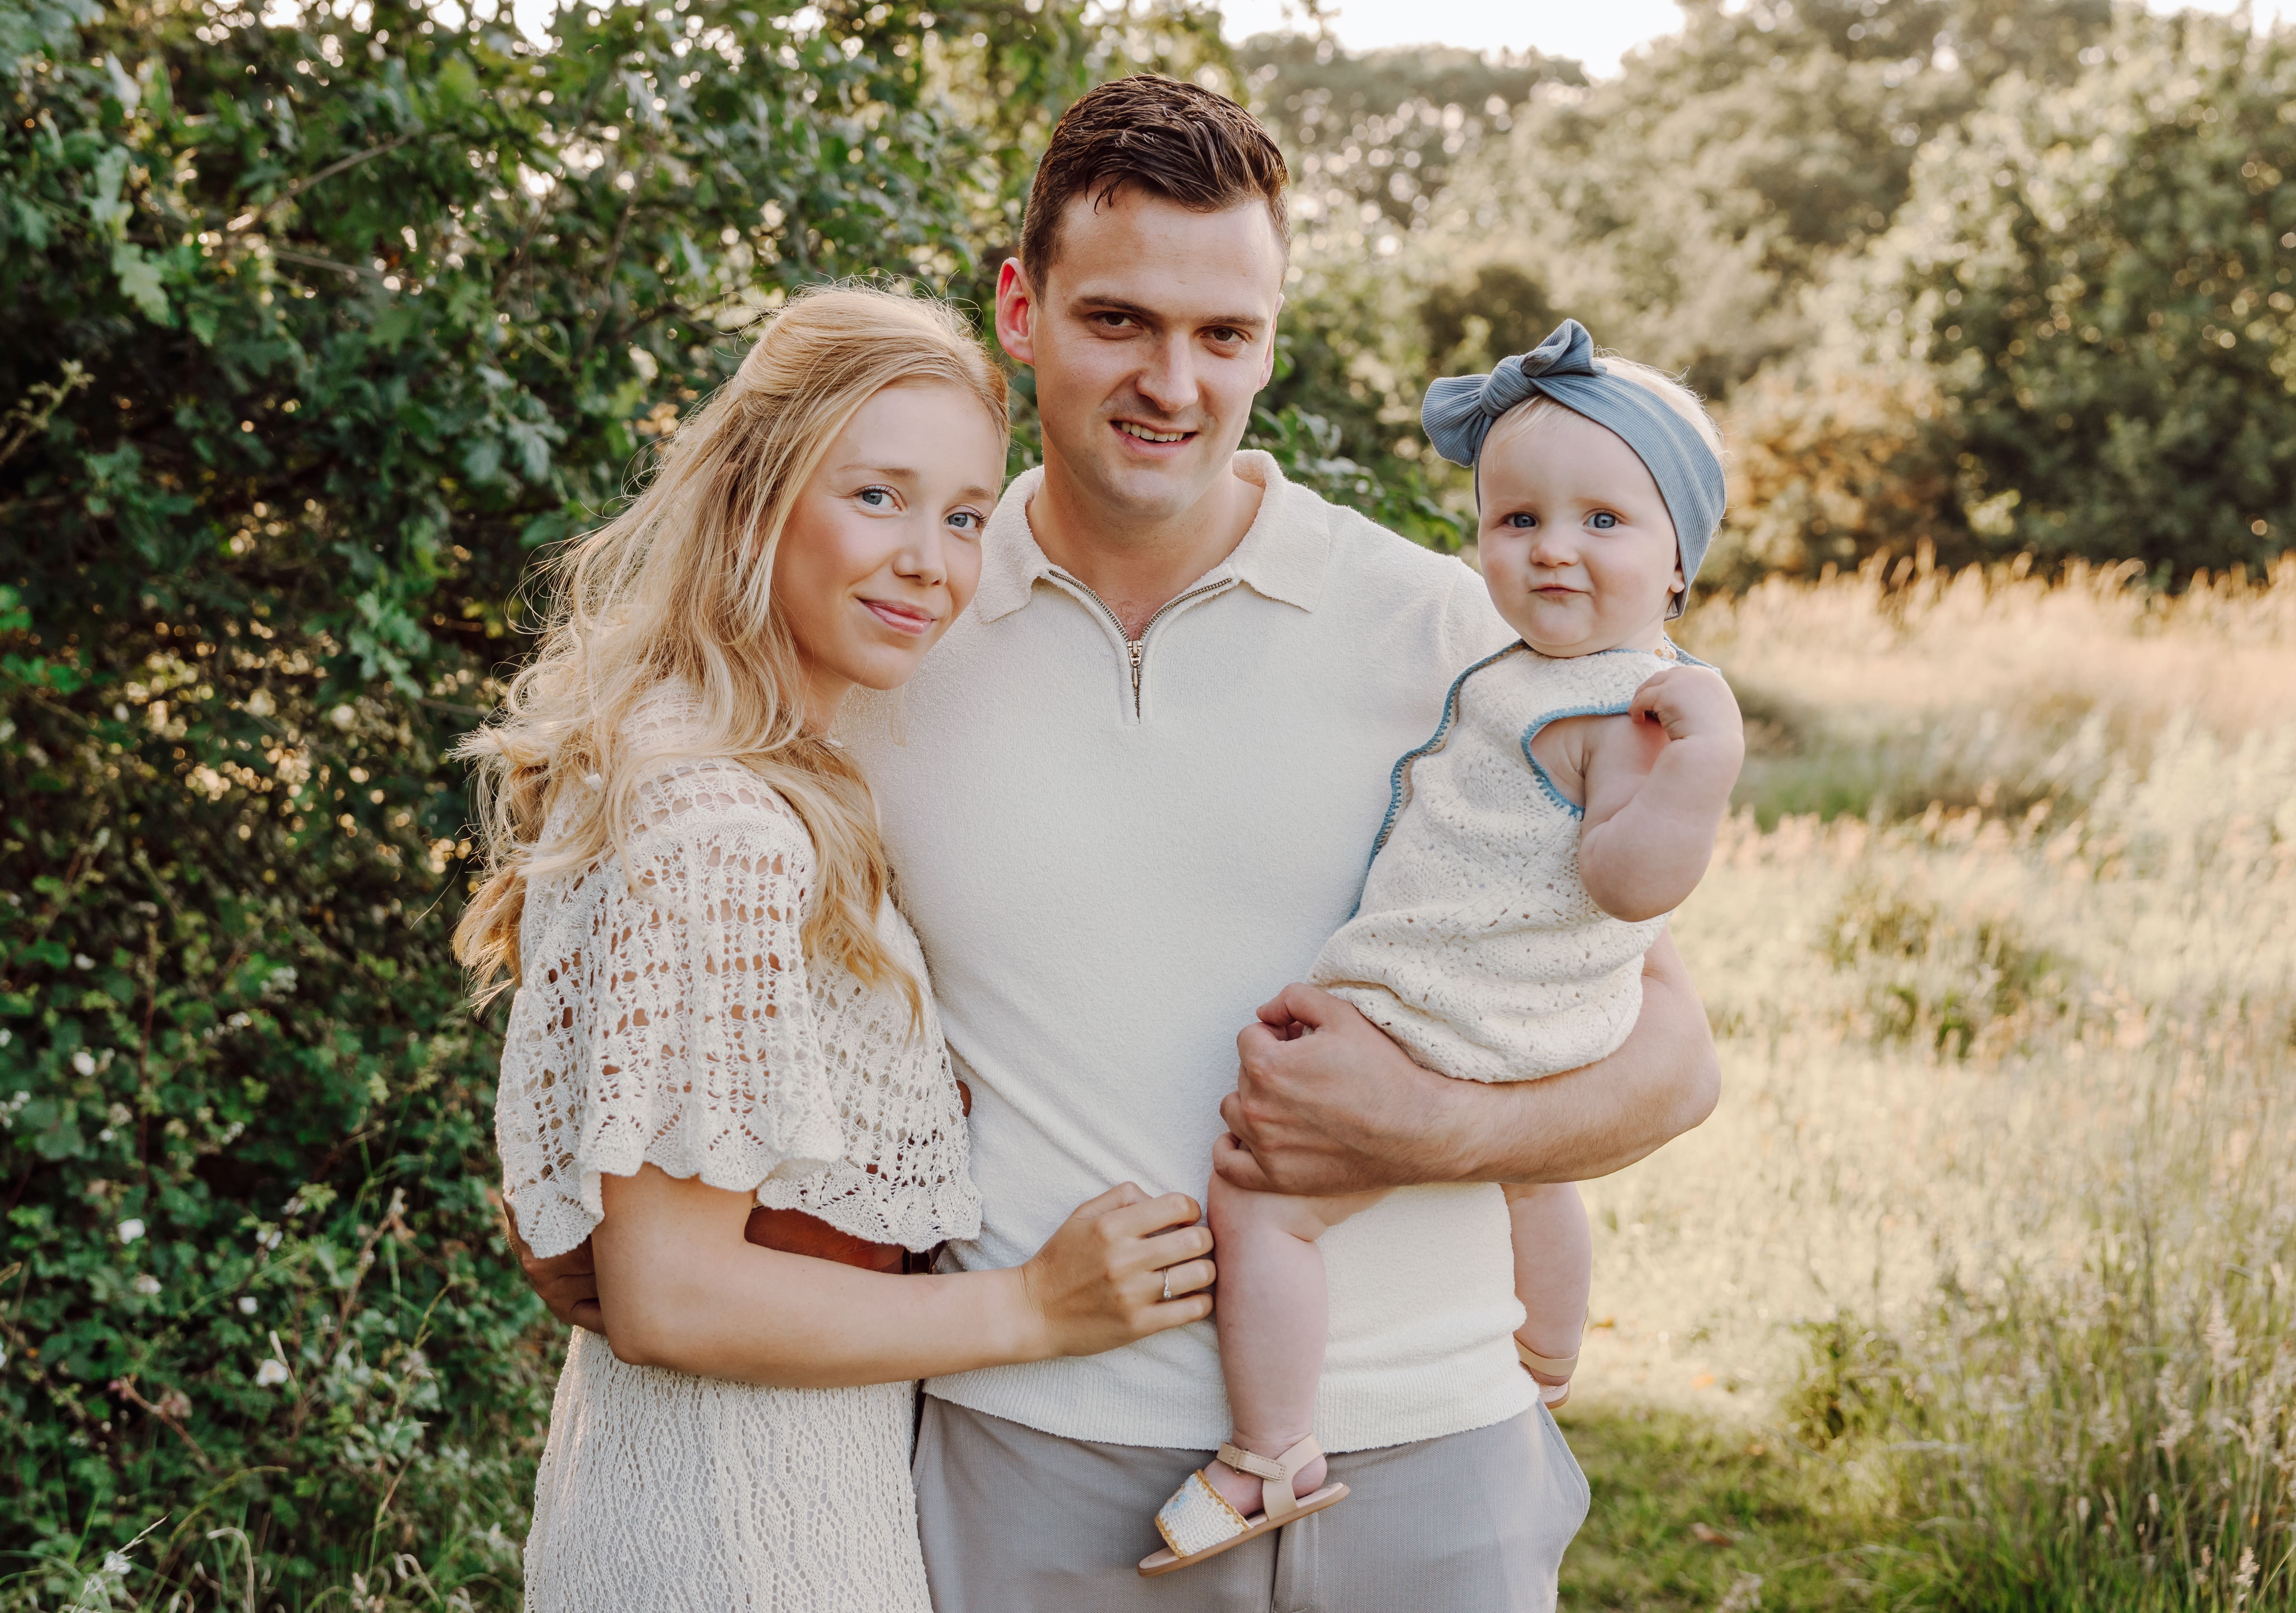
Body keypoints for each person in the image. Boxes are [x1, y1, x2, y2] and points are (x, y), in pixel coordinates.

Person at [514, 77, 1720, 1612]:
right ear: (1021, 308)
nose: (1175, 382)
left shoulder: (1452, 631)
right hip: (1038, 1461)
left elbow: (1671, 1050)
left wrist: (1427, 1132)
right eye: (1119, 321)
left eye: (1227, 335)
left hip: (1430, 1444)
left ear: (1274, 334)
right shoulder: (894, 633)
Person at [458, 285, 1217, 1613]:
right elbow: (672, 1293)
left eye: (967, 515)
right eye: (878, 496)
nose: (932, 559)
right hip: (741, 1530)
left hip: (711, 1484)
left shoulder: (746, 758)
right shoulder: (722, 825)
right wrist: (1037, 1308)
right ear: (757, 496)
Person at [1142, 318, 1746, 1574]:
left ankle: (1272, 1450)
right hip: (1517, 1017)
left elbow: (1632, 882)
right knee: (1538, 1174)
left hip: (1458, 1011)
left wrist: (1703, 763)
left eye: (1604, 523)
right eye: (1517, 521)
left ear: (1680, 560)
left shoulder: (1636, 703)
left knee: (1262, 1201)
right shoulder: (1525, 667)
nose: (1554, 551)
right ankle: (1549, 1354)